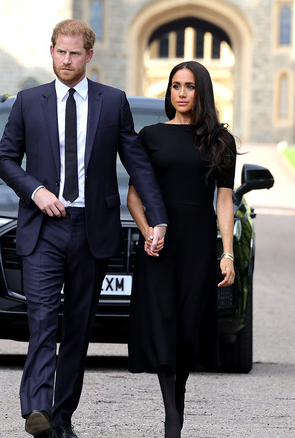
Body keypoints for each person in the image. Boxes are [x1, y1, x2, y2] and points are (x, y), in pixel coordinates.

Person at [0, 19, 169, 438]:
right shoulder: (27, 101)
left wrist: (158, 216)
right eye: (61, 52)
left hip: (93, 228)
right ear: (51, 51)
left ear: (89, 56)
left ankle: (61, 417)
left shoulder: (112, 102)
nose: (67, 60)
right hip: (42, 227)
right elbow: (4, 159)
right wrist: (34, 190)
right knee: (42, 319)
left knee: (77, 328)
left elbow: (136, 163)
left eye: (75, 54)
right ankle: (37, 407)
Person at [127, 60, 237, 438]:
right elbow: (134, 195)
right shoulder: (151, 135)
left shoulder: (221, 140)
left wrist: (227, 253)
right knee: (163, 322)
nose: (182, 93)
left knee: (188, 326)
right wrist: (146, 232)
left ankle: (179, 395)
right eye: (176, 86)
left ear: (201, 91)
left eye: (189, 87)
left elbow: (225, 201)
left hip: (198, 244)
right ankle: (172, 416)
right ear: (169, 91)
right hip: (161, 245)